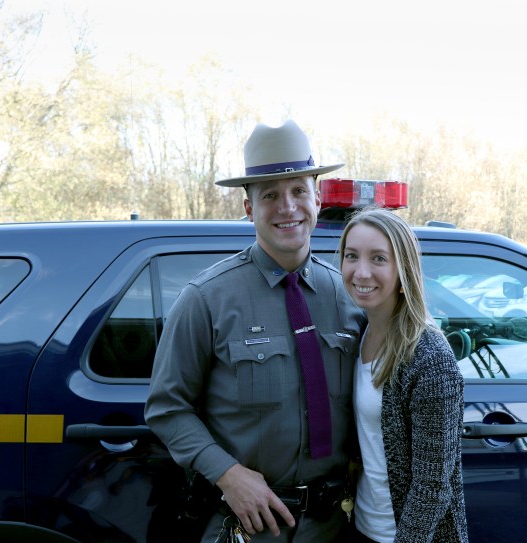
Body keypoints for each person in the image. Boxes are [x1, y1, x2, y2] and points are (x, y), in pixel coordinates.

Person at [144, 119, 364, 542]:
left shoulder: (350, 297)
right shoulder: (206, 299)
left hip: (332, 526)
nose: (288, 207)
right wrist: (227, 475)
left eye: (299, 190)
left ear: (317, 198)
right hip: (246, 525)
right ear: (248, 208)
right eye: (270, 196)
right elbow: (167, 408)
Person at [338, 207, 468, 543]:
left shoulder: (430, 360)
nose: (361, 272)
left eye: (378, 259)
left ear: (403, 270)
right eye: (352, 256)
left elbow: (433, 488)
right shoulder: (357, 333)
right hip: (361, 528)